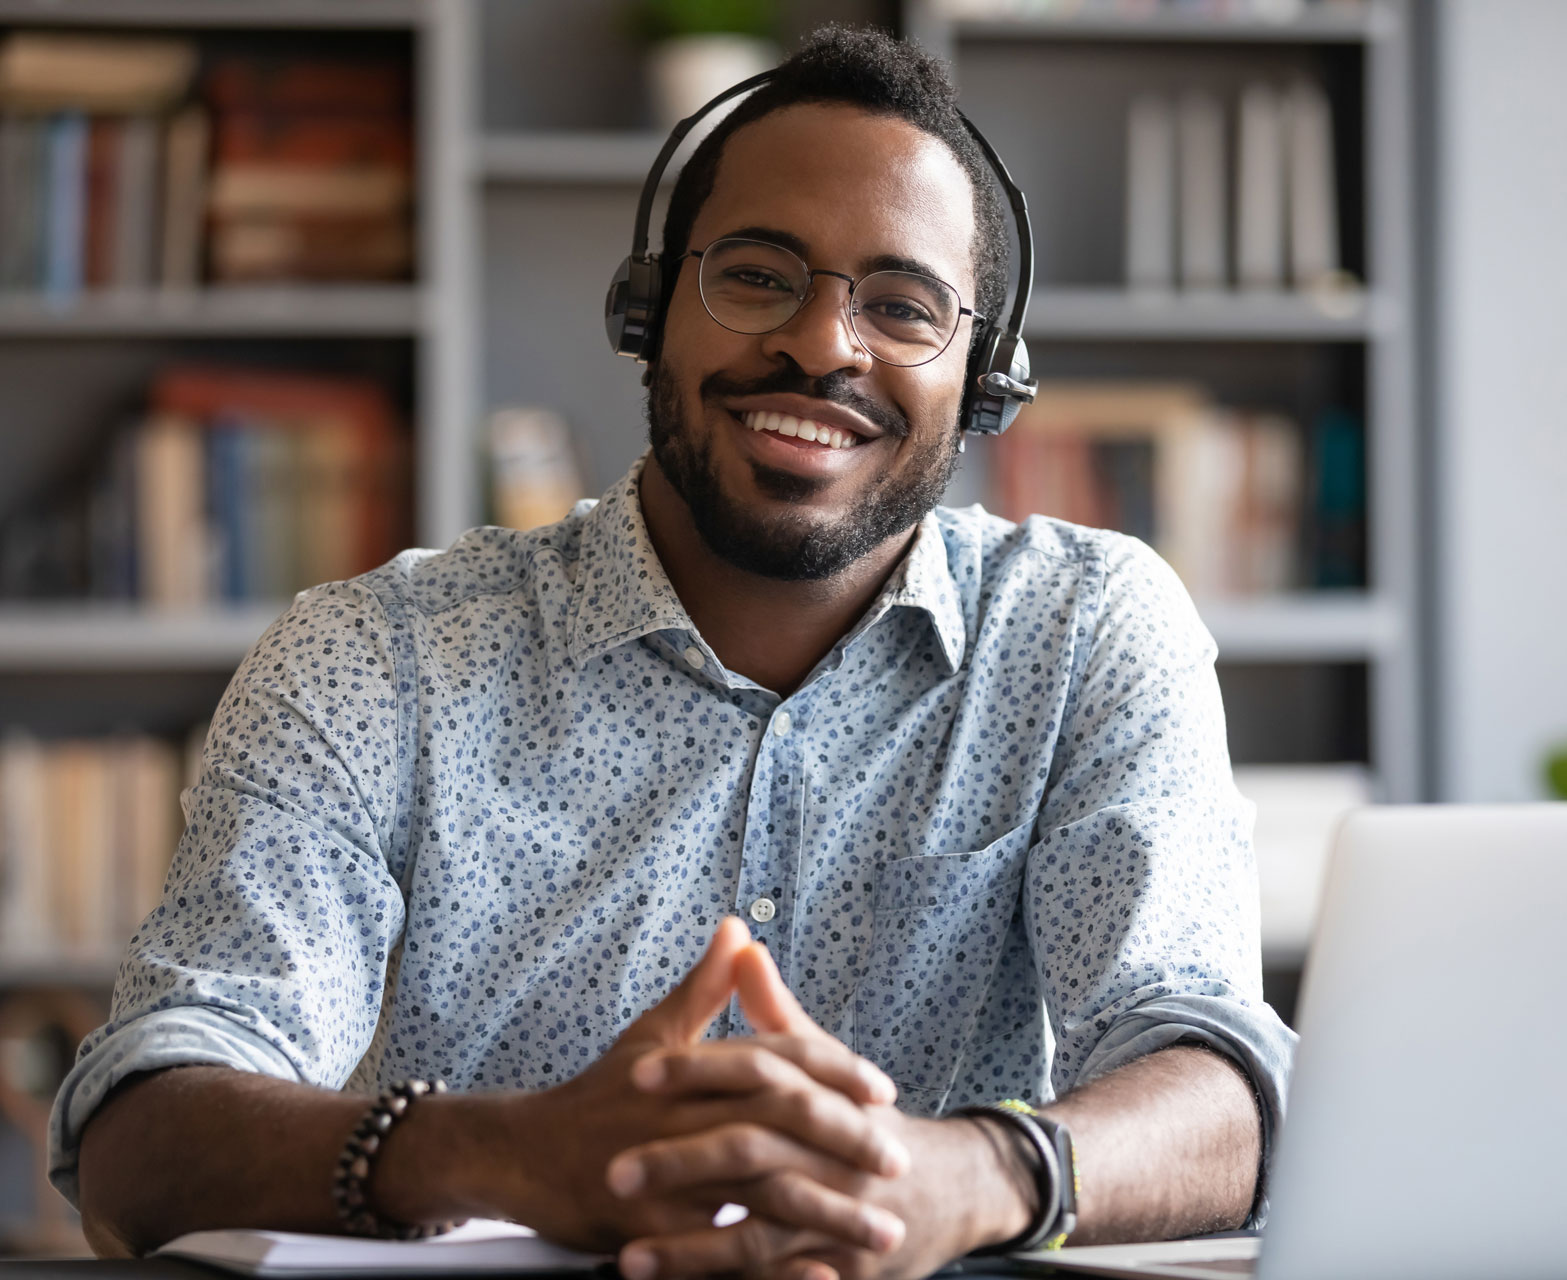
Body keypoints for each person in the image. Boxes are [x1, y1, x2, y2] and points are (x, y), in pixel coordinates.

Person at [52, 26, 1294, 1280]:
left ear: (984, 375)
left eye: (903, 306)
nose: (824, 344)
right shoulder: (372, 660)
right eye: (758, 276)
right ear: (650, 312)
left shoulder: (1086, 633)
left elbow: (1226, 1090)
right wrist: (507, 1154)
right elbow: (143, 1130)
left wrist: (968, 1175)